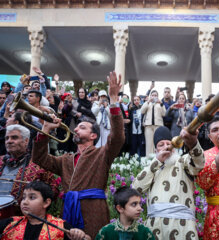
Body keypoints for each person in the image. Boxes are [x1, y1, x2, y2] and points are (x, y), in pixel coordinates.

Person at [31, 71, 125, 239]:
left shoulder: (102, 154)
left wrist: (114, 100)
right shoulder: (66, 159)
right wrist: (45, 130)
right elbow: (40, 159)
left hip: (93, 211)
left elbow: (117, 137)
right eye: (77, 126)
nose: (75, 129)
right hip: (68, 211)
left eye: (82, 127)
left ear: (93, 136)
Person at [133, 126, 205, 239]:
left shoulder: (183, 161)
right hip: (155, 226)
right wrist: (157, 162)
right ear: (155, 150)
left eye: (168, 143)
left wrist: (193, 143)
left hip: (183, 227)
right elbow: (136, 189)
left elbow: (198, 165)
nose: (166, 146)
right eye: (161, 145)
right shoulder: (152, 168)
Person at [0, 181, 90, 240]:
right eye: (23, 198)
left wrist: (80, 235)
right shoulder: (10, 224)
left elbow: (87, 238)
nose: (24, 202)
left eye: (32, 197)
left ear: (46, 203)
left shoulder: (61, 226)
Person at [0, 125, 58, 212]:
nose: (9, 141)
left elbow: (52, 191)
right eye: (7, 138)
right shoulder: (0, 160)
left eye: (14, 138)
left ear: (26, 141)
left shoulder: (39, 164)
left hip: (24, 218)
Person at [141, 90, 166, 155]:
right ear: (150, 96)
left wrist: (161, 104)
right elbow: (142, 111)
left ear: (158, 96)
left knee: (157, 143)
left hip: (158, 125)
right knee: (149, 144)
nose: (154, 97)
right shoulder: (147, 103)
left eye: (155, 95)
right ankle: (148, 160)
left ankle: (158, 159)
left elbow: (164, 114)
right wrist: (148, 101)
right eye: (152, 95)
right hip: (148, 126)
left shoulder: (160, 104)